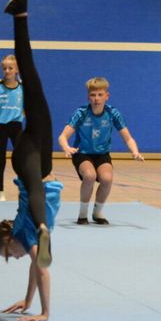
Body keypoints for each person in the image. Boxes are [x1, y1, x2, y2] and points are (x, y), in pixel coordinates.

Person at [0, 0, 59, 321]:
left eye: (8, 255)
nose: (13, 258)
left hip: (31, 158)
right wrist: (28, 301)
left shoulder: (22, 232)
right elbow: (35, 266)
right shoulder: (20, 236)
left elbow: (41, 267)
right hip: (38, 145)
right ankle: (20, 15)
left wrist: (45, 313)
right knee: (30, 74)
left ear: (8, 240)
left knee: (36, 190)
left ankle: (21, 15)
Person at [58, 77, 144, 225]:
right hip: (82, 153)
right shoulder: (81, 113)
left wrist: (135, 151)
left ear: (106, 96)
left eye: (100, 95)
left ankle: (97, 213)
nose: (96, 99)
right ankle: (82, 214)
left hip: (102, 154)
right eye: (93, 95)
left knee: (107, 179)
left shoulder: (112, 114)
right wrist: (66, 147)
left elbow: (128, 138)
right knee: (90, 176)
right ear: (88, 96)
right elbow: (63, 136)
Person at [0, 55, 25, 203]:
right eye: (4, 68)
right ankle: (0, 192)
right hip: (1, 127)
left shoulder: (22, 89)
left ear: (16, 70)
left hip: (16, 126)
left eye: (10, 68)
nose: (7, 71)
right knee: (1, 160)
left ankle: (22, 190)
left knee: (21, 160)